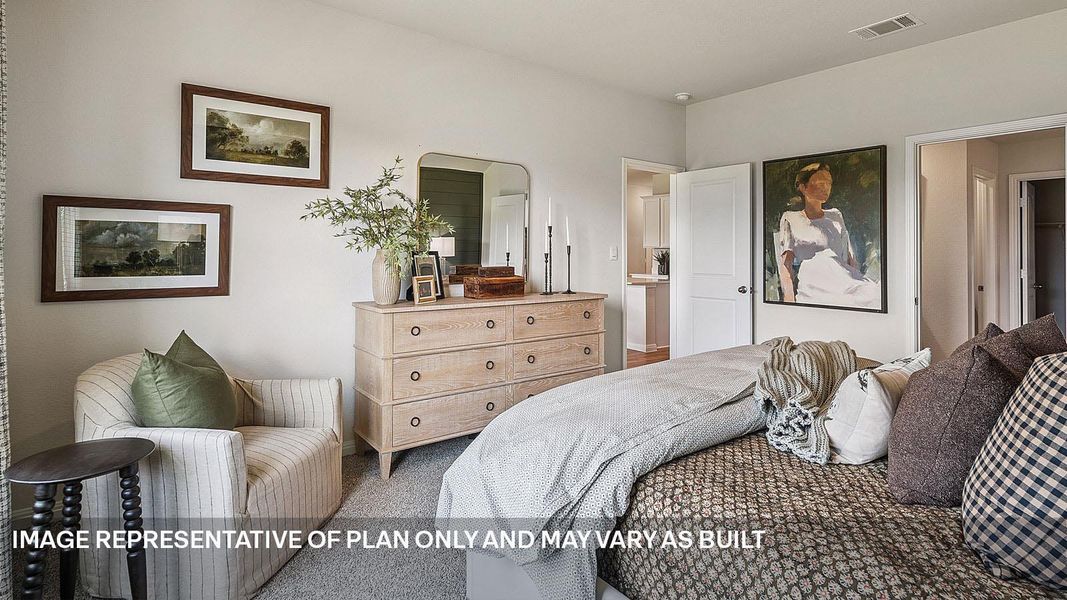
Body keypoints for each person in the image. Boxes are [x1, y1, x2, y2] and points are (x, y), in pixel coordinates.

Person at [777, 162, 880, 308]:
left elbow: (849, 257)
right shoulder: (790, 218)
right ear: (802, 187)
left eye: (828, 183)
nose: (826, 187)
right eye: (819, 182)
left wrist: (856, 278)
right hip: (813, 281)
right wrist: (789, 300)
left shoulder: (836, 215)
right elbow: (786, 265)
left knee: (872, 296)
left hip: (843, 277)